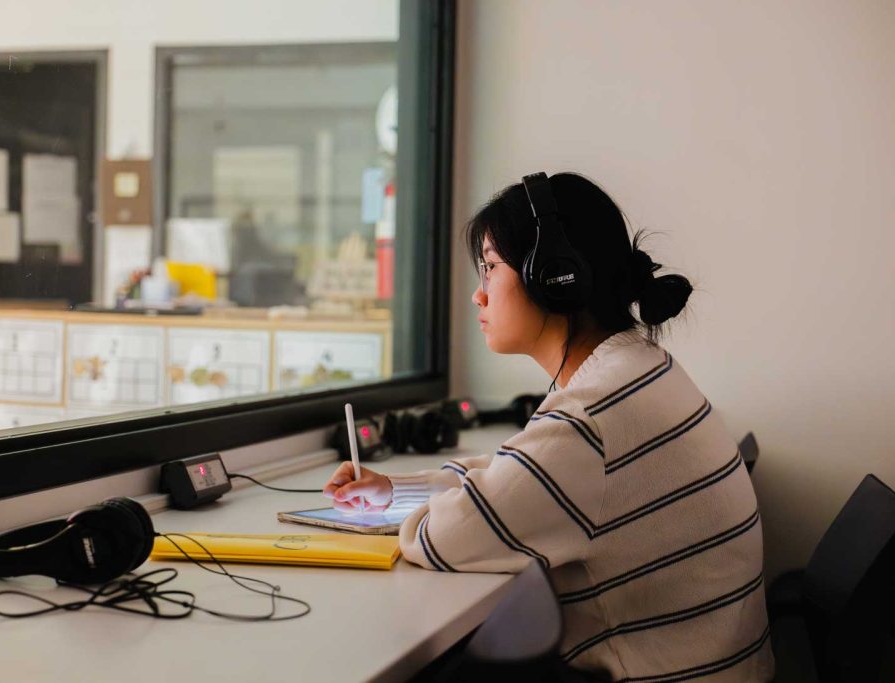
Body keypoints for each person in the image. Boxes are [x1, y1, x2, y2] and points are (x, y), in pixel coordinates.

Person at [322, 172, 774, 681]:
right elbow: (516, 476)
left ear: (554, 276)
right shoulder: (639, 367)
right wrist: (396, 490)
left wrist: (420, 511)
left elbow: (439, 538)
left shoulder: (587, 417)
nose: (478, 295)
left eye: (490, 268)